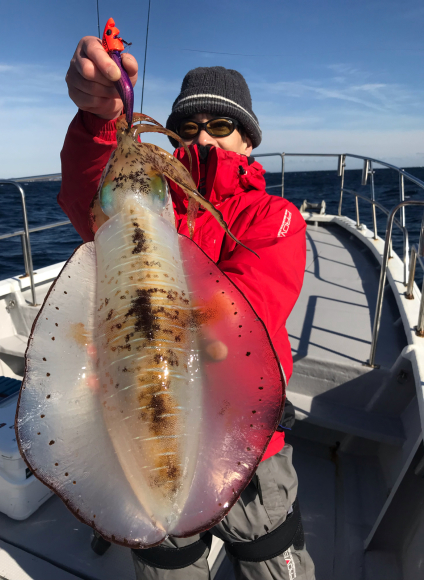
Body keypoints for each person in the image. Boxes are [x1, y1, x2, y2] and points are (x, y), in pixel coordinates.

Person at [60, 36, 316, 580]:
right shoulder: (150, 205)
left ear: (248, 141)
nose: (202, 137)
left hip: (247, 437)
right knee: (167, 564)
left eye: (220, 127)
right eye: (187, 127)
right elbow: (94, 199)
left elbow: (246, 312)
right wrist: (100, 123)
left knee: (269, 554)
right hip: (147, 421)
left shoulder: (274, 216)